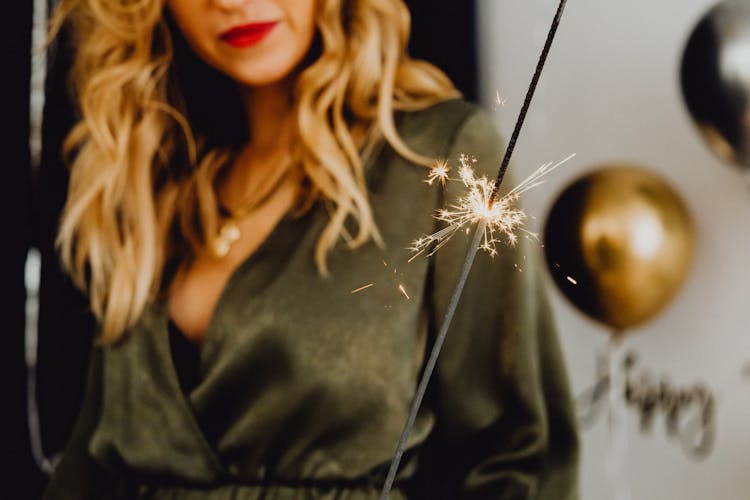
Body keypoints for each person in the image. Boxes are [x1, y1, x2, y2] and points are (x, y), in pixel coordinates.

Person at [42, 0, 579, 498]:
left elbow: (521, 460)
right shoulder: (151, 180)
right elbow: (87, 471)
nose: (233, 1)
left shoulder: (440, 159)